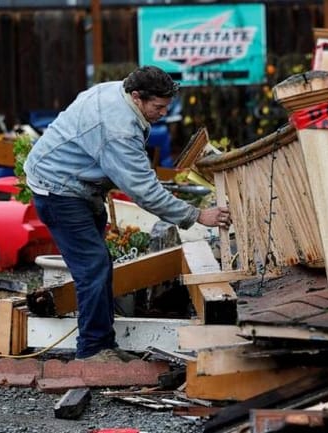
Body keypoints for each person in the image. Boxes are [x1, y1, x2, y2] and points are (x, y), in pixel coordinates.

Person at [24, 66, 231, 362]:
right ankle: (93, 352)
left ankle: (103, 343)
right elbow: (144, 191)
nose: (162, 113)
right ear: (137, 97)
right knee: (93, 268)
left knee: (99, 265)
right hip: (58, 190)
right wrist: (196, 216)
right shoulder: (118, 130)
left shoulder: (117, 91)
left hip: (76, 184)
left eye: (166, 106)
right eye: (157, 107)